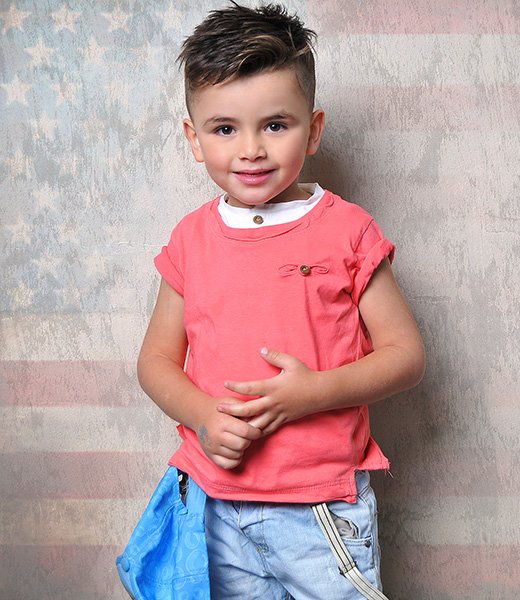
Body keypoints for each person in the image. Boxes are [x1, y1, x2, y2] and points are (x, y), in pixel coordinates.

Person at [136, 3, 425, 598]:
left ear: (313, 130)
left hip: (318, 508)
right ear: (194, 139)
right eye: (224, 129)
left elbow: (406, 356)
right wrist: (202, 414)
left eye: (275, 125)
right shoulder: (190, 240)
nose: (251, 149)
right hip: (215, 502)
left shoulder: (347, 230)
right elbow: (156, 361)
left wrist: (312, 393)